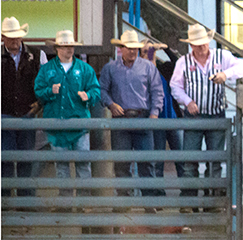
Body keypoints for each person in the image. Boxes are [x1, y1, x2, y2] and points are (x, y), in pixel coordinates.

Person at [170, 23, 243, 209]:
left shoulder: (222, 57)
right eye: (197, 43)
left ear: (208, 42)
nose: (201, 46)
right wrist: (187, 101)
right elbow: (175, 86)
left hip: (215, 115)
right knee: (190, 160)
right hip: (194, 116)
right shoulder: (183, 62)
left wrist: (225, 74)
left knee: (215, 160)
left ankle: (212, 201)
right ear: (191, 45)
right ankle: (190, 202)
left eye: (203, 42)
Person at [33, 30, 100, 205]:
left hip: (79, 124)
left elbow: (96, 89)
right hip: (57, 124)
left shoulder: (85, 69)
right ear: (57, 48)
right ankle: (66, 201)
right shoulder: (47, 70)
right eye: (64, 46)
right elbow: (38, 91)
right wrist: (49, 91)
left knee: (83, 163)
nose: (68, 49)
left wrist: (89, 95)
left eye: (70, 46)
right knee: (61, 165)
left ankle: (84, 201)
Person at [99, 30, 163, 210]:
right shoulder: (110, 68)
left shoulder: (148, 66)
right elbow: (102, 90)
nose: (133, 51)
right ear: (121, 48)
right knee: (121, 162)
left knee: (146, 162)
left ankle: (149, 202)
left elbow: (157, 91)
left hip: (142, 117)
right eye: (129, 48)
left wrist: (154, 114)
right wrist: (111, 104)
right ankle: (124, 202)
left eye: (135, 48)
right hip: (121, 117)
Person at [2, 16, 47, 199]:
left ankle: (25, 202)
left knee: (26, 159)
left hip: (27, 113)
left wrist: (40, 103)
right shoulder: (36, 55)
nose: (15, 40)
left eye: (17, 36)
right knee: (5, 159)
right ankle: (4, 202)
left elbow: (46, 82)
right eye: (10, 36)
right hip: (3, 114)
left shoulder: (37, 55)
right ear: (2, 37)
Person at [142, 39, 185, 195]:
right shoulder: (140, 72)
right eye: (146, 52)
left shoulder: (164, 68)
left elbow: (180, 63)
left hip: (173, 118)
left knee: (182, 158)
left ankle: (186, 193)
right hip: (155, 120)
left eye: (152, 51)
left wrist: (166, 48)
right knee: (157, 160)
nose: (150, 54)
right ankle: (158, 194)